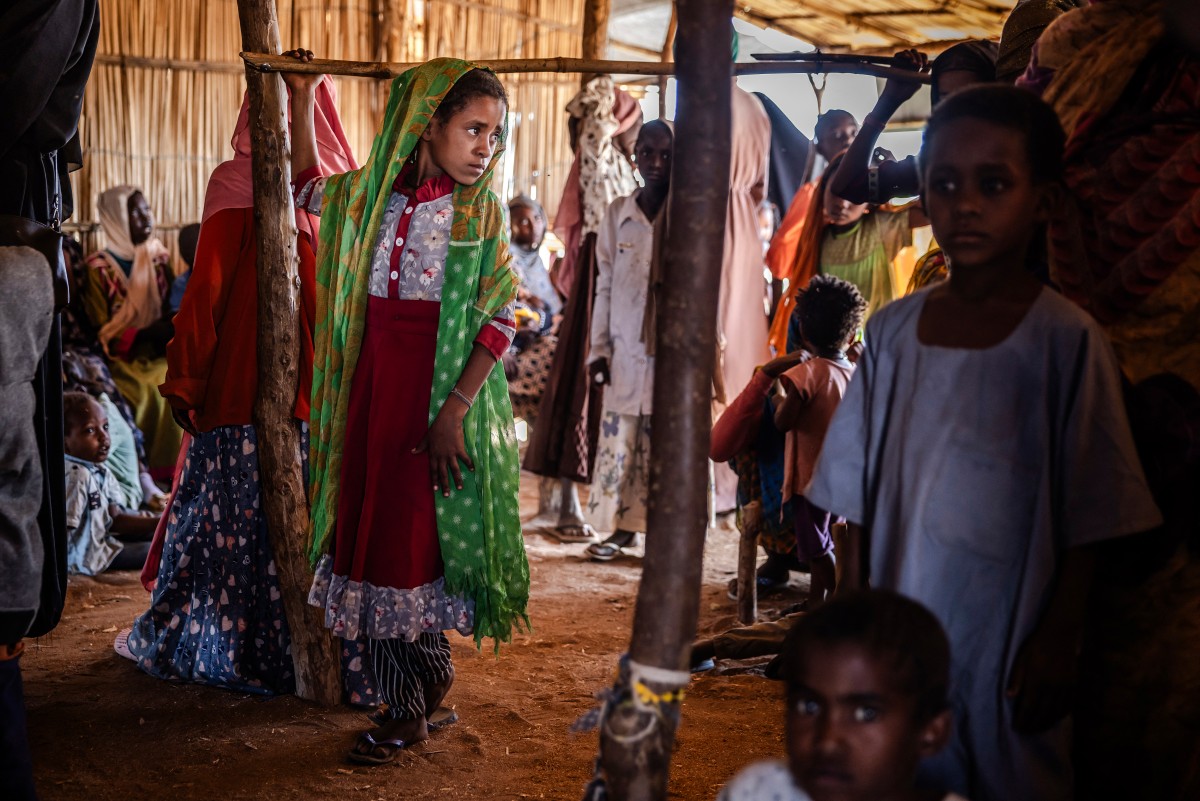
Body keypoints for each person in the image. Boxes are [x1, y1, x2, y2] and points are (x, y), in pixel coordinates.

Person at [806, 85, 1162, 801]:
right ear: (924, 197)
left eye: (994, 184)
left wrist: (1060, 638)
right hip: (903, 625)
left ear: (1045, 202)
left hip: (1013, 635)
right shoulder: (896, 335)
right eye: (944, 183)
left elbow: (1096, 510)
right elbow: (853, 495)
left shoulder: (1067, 342)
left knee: (1014, 775)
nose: (965, 204)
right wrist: (853, 614)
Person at [284, 52, 529, 765]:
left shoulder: (478, 216)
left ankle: (407, 707)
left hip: (437, 404)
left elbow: (498, 320)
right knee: (385, 537)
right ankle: (424, 686)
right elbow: (306, 187)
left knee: (414, 540)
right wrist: (303, 98)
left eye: (495, 134)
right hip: (375, 396)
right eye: (475, 129)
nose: (487, 147)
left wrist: (453, 411)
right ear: (429, 124)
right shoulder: (370, 200)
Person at [122, 81, 371, 699]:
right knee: (279, 513)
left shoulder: (335, 191)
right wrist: (188, 376)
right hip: (254, 383)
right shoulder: (249, 187)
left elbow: (357, 297)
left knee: (269, 520)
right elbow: (205, 293)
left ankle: (273, 647)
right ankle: (274, 650)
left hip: (306, 384)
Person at [522, 77, 642, 543]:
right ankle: (570, 502)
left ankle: (578, 503)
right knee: (583, 383)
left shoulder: (625, 171)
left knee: (586, 382)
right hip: (601, 284)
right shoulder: (606, 166)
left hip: (607, 285)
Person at [717, 591, 960, 801]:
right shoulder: (757, 791)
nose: (828, 741)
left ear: (932, 731)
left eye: (866, 713)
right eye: (809, 706)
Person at [582, 120, 673, 561]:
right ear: (634, 157)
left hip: (671, 353)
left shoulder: (688, 213)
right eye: (647, 152)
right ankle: (619, 530)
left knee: (663, 443)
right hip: (622, 349)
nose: (655, 163)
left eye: (666, 154)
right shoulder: (619, 213)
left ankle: (663, 534)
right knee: (621, 440)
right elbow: (604, 286)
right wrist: (597, 350)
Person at [771, 275, 866, 609]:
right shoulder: (858, 373)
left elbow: (783, 422)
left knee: (814, 546)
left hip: (809, 481)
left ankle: (840, 601)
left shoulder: (804, 376)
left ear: (804, 332)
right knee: (835, 538)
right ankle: (817, 598)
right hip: (847, 480)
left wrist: (778, 397)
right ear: (853, 333)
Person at [768, 153, 925, 353]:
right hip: (831, 353)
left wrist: (897, 178)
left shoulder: (882, 228)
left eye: (854, 195)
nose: (842, 203)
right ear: (822, 191)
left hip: (878, 348)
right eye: (836, 192)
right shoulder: (816, 240)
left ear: (871, 198)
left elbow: (933, 208)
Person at [82, 186, 183, 479]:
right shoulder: (98, 268)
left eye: (146, 209)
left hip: (159, 351)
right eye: (134, 212)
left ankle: (175, 470)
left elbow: (172, 308)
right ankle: (149, 472)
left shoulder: (158, 260)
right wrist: (140, 336)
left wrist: (162, 330)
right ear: (116, 219)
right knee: (144, 391)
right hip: (122, 357)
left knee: (173, 379)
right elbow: (101, 328)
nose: (145, 218)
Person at [765, 110, 858, 304]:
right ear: (820, 148)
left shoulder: (876, 186)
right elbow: (780, 261)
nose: (847, 141)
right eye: (837, 136)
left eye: (854, 133)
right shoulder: (811, 196)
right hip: (822, 299)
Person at [63, 392, 158, 574]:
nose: (104, 436)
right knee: (156, 550)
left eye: (105, 427)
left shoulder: (101, 470)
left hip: (101, 542)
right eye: (90, 430)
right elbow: (65, 529)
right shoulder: (76, 475)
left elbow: (115, 516)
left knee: (162, 536)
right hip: (83, 557)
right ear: (65, 443)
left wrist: (159, 523)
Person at [505, 194, 560, 423]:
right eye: (524, 221)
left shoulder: (538, 263)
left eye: (537, 218)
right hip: (513, 348)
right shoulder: (505, 258)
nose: (534, 226)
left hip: (535, 338)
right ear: (510, 225)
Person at [166, 222, 200, 315]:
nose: (188, 253)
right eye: (184, 248)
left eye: (194, 247)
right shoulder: (180, 284)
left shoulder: (223, 281)